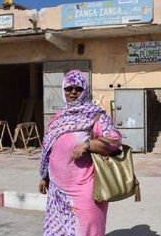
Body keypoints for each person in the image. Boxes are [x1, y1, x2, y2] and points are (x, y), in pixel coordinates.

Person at [38, 69, 121, 236]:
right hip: (57, 192)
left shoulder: (95, 115)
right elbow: (49, 148)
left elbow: (114, 140)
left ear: (85, 90)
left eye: (78, 88)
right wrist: (44, 176)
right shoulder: (59, 117)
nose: (73, 92)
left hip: (85, 190)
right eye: (69, 88)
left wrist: (88, 145)